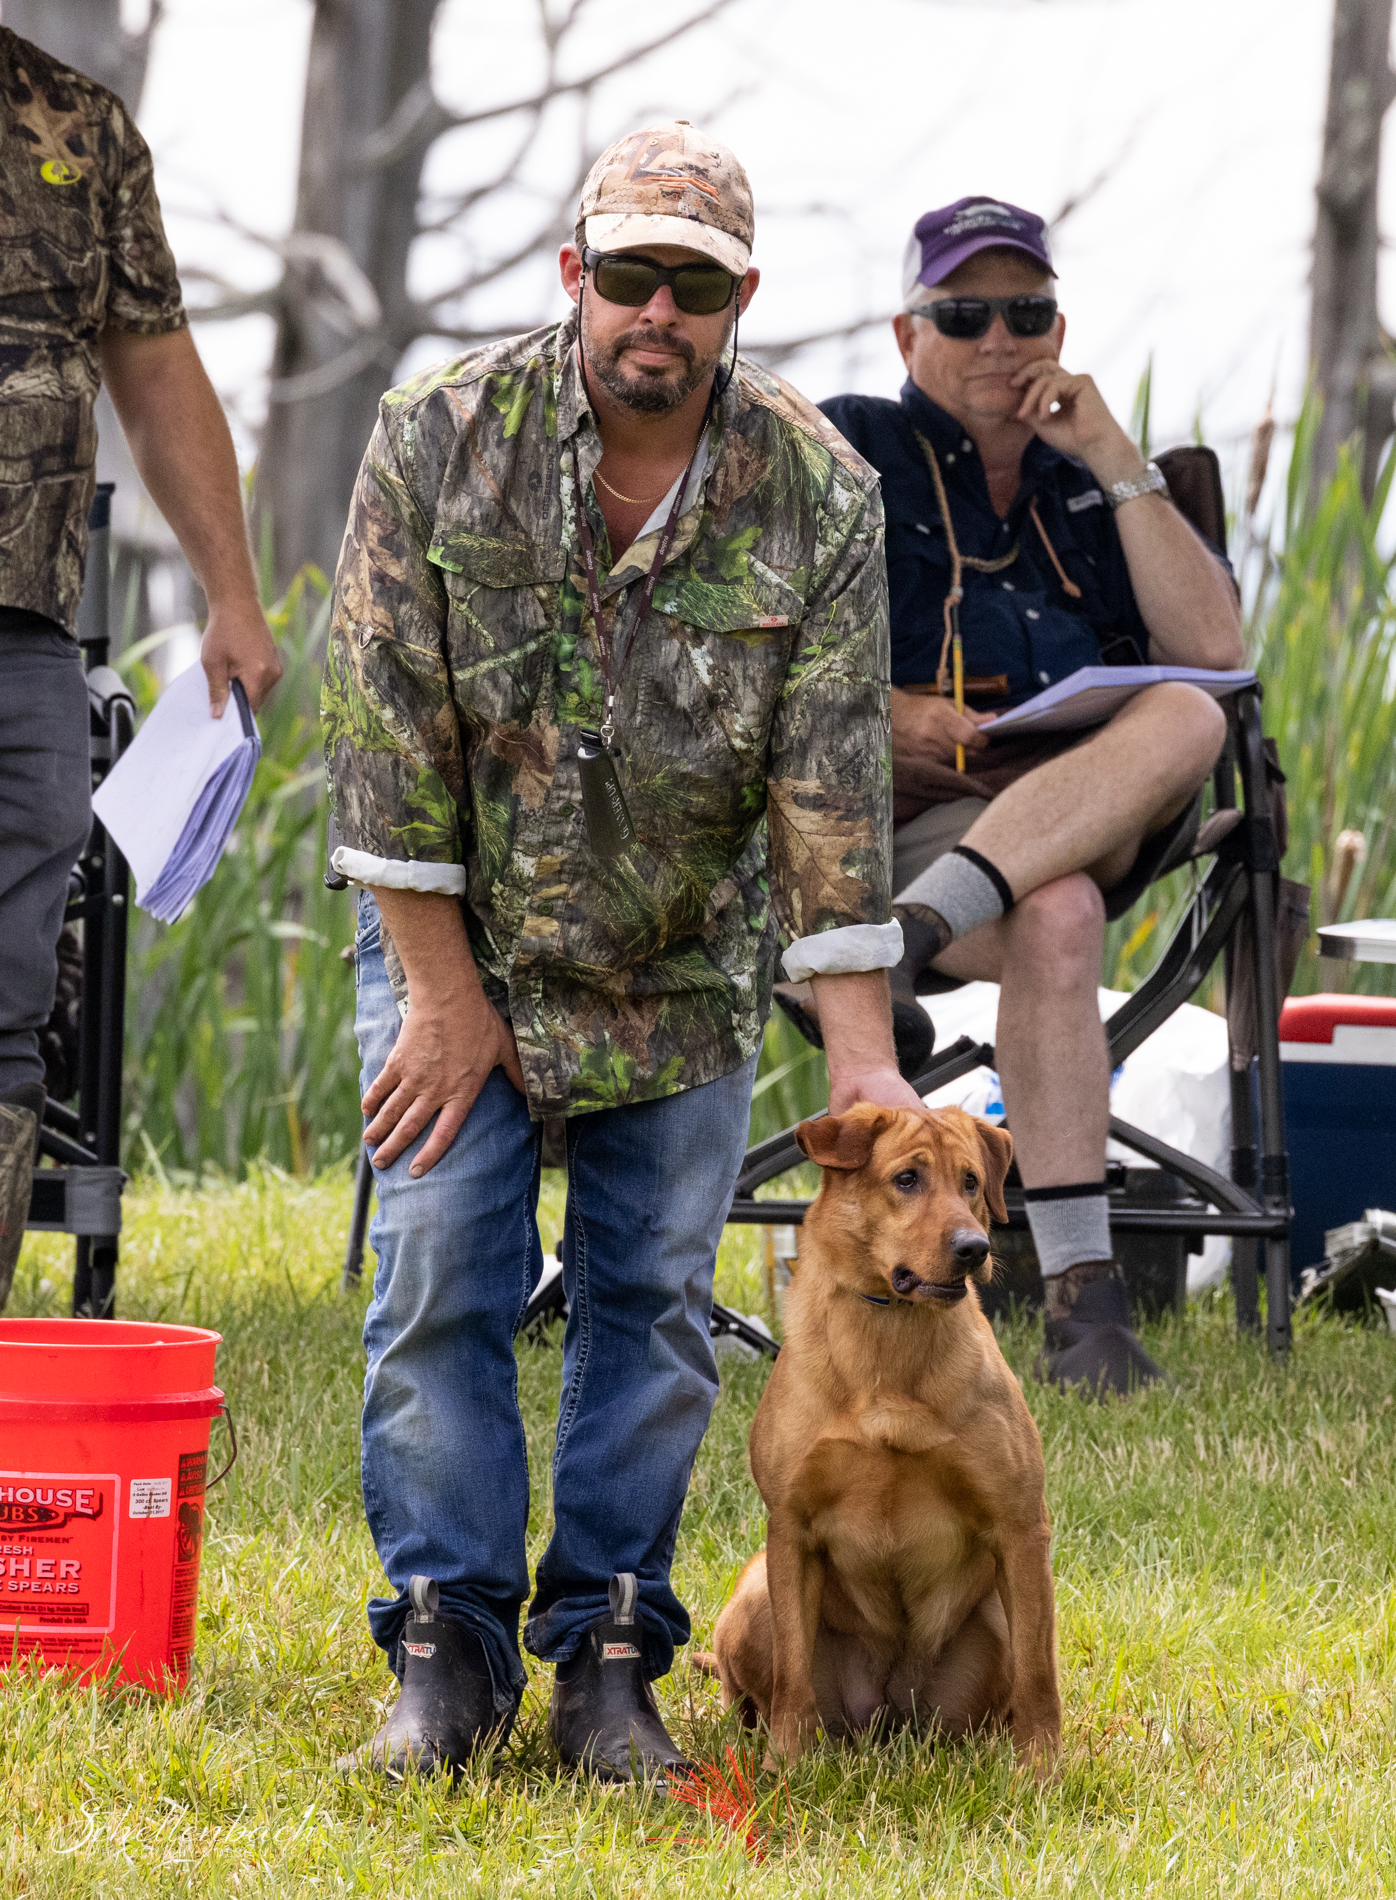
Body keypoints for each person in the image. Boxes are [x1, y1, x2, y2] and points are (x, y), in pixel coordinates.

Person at [322, 120, 916, 1784]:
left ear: (740, 302)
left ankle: (607, 1654)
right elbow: (379, 744)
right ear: (577, 271)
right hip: (462, 941)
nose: (661, 312)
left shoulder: (823, 492)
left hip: (682, 965)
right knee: (439, 1273)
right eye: (634, 274)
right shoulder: (433, 438)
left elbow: (831, 795)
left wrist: (862, 1054)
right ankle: (444, 1650)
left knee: (652, 1309)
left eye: (696, 287)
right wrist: (444, 999)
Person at [785, 196, 1244, 1394]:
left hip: (1082, 802)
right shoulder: (844, 445)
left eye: (1025, 312)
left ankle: (911, 934)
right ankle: (1084, 1298)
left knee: (1190, 715)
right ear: (907, 334)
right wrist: (887, 716)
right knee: (1057, 911)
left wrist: (1112, 456)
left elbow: (1213, 653)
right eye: (964, 315)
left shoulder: (1088, 480)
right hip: (904, 818)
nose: (999, 338)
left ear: (1057, 328)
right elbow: (756, 650)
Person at [0, 28, 282, 1311]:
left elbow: (155, 366)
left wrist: (233, 594)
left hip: (22, 635)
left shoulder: (78, 122)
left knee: (11, 1005)